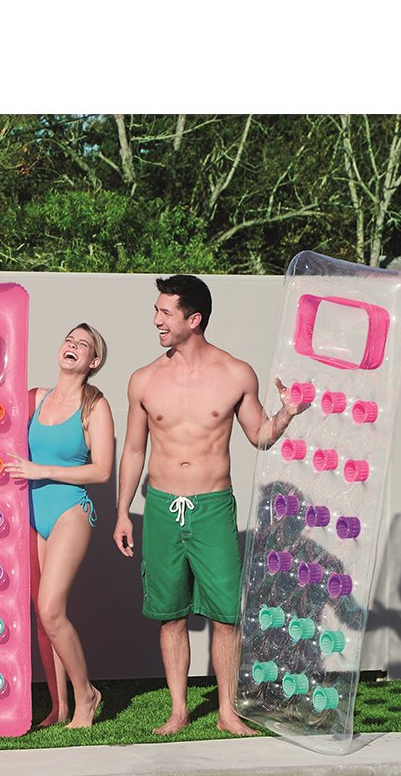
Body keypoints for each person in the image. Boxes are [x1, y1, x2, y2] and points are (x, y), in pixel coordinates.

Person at [112, 275, 308, 736]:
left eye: (165, 312)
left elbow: (260, 435)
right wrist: (122, 511)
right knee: (169, 614)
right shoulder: (143, 379)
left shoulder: (236, 374)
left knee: (226, 614)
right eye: (156, 311)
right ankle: (179, 710)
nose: (156, 320)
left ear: (193, 319)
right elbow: (135, 450)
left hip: (213, 507)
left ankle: (226, 711)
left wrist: (286, 414)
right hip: (163, 507)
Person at [5, 324, 114, 728]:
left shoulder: (94, 406)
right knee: (42, 614)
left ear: (94, 361)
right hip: (31, 513)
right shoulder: (34, 398)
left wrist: (42, 470)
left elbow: (102, 471)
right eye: (69, 339)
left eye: (83, 344)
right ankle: (60, 707)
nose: (72, 345)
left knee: (51, 609)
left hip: (69, 511)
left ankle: (87, 696)